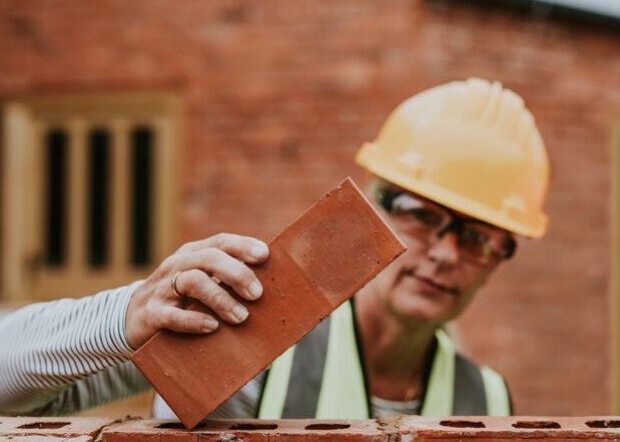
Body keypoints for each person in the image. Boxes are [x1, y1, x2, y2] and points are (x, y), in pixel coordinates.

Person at [0, 78, 549, 419]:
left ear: (500, 257)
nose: (447, 254)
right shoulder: (258, 332)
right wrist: (128, 315)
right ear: (373, 205)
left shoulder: (489, 404)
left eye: (479, 237)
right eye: (423, 216)